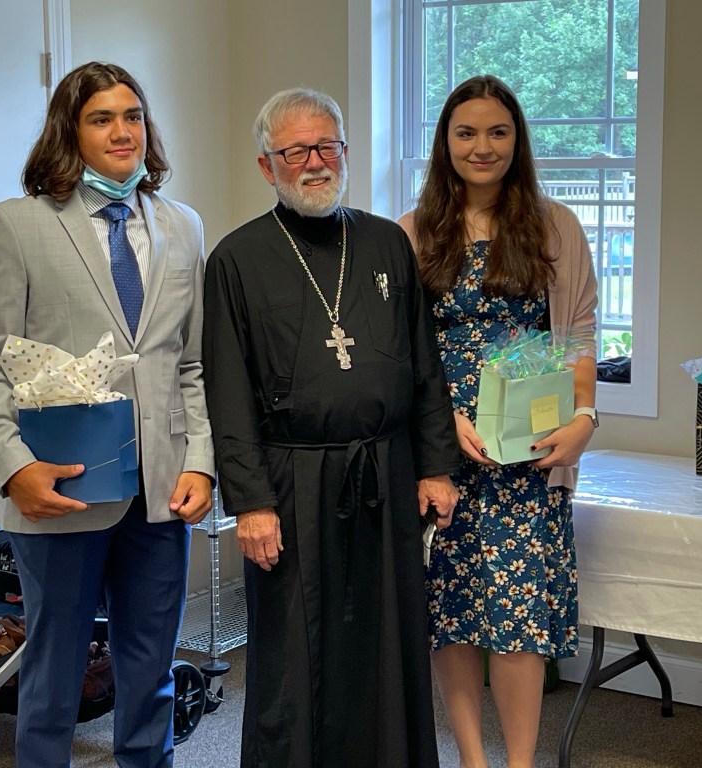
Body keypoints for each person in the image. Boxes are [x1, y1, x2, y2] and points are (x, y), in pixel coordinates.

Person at [0, 61, 214, 768]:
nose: (123, 131)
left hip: (161, 490)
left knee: (151, 669)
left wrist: (200, 462)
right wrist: (12, 470)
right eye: (102, 119)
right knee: (53, 675)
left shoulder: (183, 226)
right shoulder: (20, 225)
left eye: (133, 116)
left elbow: (193, 363)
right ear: (70, 132)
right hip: (61, 487)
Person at [202, 87, 461, 768]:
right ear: (267, 166)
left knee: (387, 643)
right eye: (296, 151)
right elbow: (227, 393)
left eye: (326, 147)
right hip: (291, 482)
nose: (314, 162)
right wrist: (250, 502)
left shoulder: (385, 242)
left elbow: (424, 364)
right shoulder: (236, 259)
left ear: (344, 152)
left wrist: (436, 466)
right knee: (295, 652)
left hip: (387, 471)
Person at [398, 74, 598, 768]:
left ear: (517, 140)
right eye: (466, 132)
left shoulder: (554, 225)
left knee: (518, 619)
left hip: (528, 455)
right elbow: (400, 349)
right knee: (450, 616)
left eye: (497, 132)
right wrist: (440, 420)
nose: (482, 147)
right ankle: (471, 760)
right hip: (443, 454)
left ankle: (518, 763)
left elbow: (577, 334)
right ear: (445, 142)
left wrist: (584, 419)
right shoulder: (411, 232)